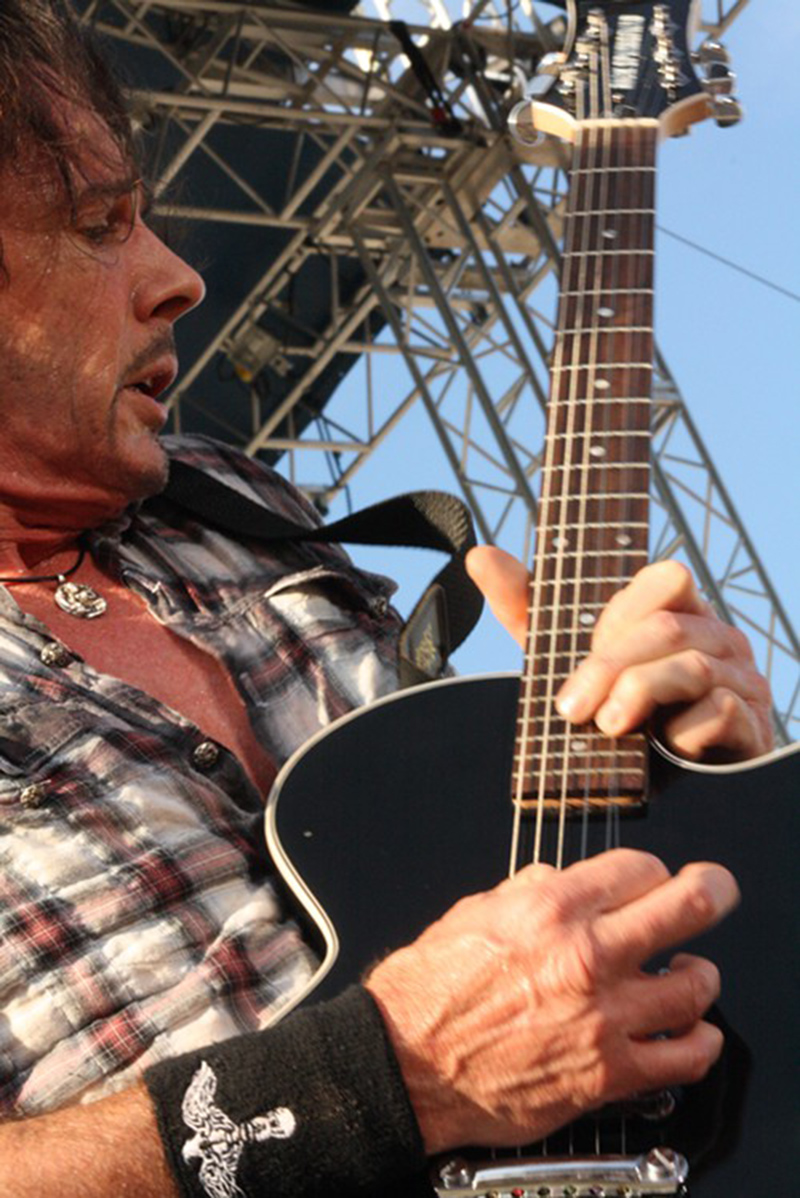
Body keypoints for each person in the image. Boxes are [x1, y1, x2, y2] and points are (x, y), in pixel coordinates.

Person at [0, 2, 774, 1195]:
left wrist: (709, 798)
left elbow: (546, 963)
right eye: (102, 225)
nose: (178, 276)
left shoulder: (234, 509)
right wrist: (378, 1078)